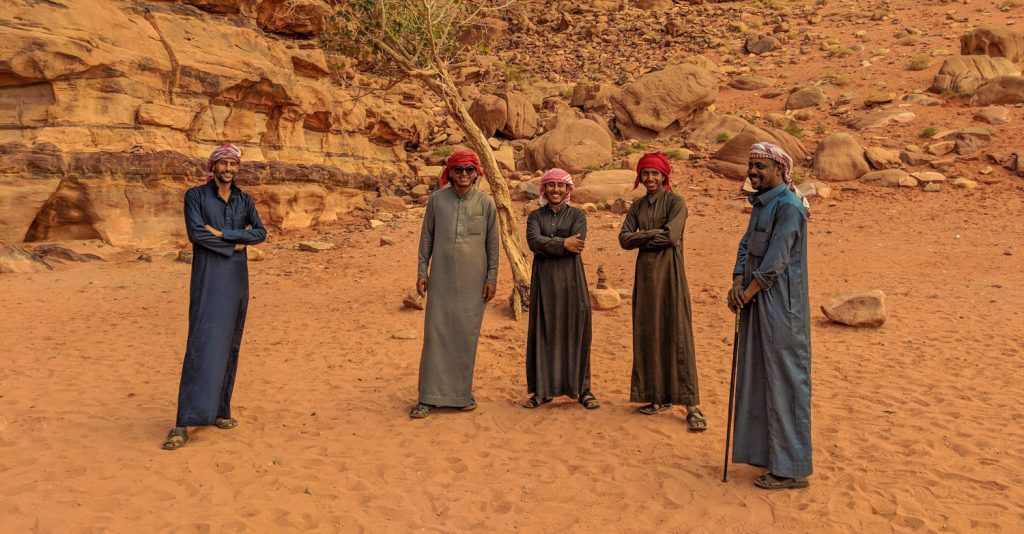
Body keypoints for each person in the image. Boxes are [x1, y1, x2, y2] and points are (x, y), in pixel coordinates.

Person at [163, 144, 267, 450]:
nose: (229, 169)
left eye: (234, 164)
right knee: (202, 342)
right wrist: (232, 244)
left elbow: (260, 232)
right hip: (209, 278)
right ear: (214, 166)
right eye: (224, 163)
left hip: (237, 279)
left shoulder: (243, 199)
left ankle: (221, 411)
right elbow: (197, 233)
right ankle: (183, 421)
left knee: (230, 343)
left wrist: (226, 236)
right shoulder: (195, 196)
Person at [727, 142, 812, 490]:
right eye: (751, 166)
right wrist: (736, 281)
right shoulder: (761, 205)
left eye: (760, 166)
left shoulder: (789, 207)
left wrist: (744, 295)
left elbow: (774, 263)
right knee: (760, 378)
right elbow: (747, 246)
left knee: (786, 383)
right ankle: (769, 456)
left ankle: (791, 470)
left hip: (781, 309)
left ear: (780, 170)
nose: (753, 172)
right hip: (757, 303)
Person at [618, 152, 706, 431]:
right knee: (648, 330)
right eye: (645, 173)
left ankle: (691, 404)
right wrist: (652, 234)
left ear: (665, 175)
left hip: (670, 275)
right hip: (645, 276)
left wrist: (642, 236)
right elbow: (623, 239)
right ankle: (655, 397)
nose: (650, 178)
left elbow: (671, 236)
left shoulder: (676, 202)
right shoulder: (637, 206)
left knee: (677, 331)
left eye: (655, 173)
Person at [409, 150, 499, 418]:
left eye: (468, 170)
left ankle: (460, 396)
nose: (463, 175)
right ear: (450, 173)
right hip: (441, 279)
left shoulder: (486, 204)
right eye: (457, 170)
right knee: (435, 335)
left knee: (465, 337)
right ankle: (427, 398)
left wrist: (492, 277)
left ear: (476, 173)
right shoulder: (437, 201)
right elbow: (427, 238)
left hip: (474, 283)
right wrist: (422, 270)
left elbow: (493, 245)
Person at [523, 168, 598, 410]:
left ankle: (583, 390)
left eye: (560, 186)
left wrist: (553, 244)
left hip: (572, 283)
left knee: (577, 332)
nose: (555, 190)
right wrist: (563, 242)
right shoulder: (535, 217)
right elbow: (534, 242)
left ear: (568, 190)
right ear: (544, 189)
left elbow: (578, 244)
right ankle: (542, 392)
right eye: (551, 186)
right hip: (544, 284)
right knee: (544, 333)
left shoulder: (578, 216)